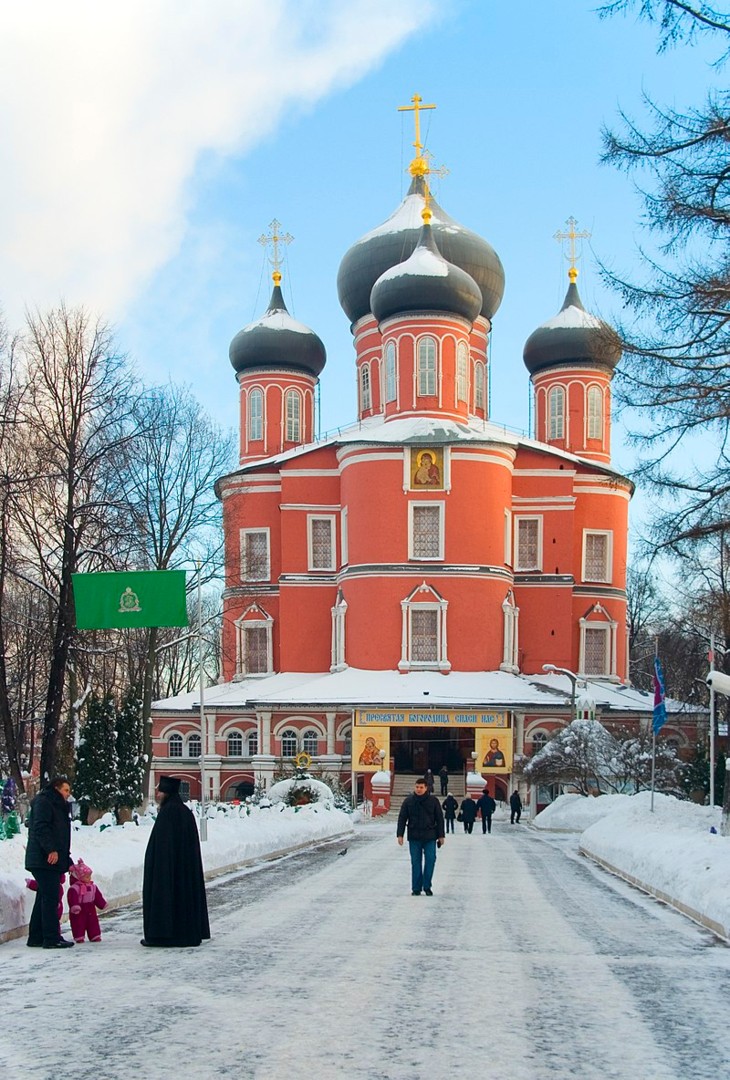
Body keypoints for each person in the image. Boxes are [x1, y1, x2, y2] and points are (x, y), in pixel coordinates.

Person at [141, 776, 210, 947]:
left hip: (168, 869)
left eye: (160, 791)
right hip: (184, 869)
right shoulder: (184, 811)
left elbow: (163, 846)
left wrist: (157, 866)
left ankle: (163, 934)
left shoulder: (168, 812)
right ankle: (187, 933)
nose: (158, 795)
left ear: (167, 793)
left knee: (168, 897)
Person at [25, 776, 75, 949]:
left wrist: (66, 858)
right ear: (56, 788)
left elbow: (59, 834)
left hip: (49, 858)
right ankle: (51, 938)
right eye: (65, 790)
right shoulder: (45, 802)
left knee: (44, 896)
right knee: (50, 897)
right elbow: (41, 828)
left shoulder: (55, 804)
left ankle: (36, 936)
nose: (68, 794)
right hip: (43, 859)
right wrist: (51, 850)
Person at [396, 778, 445, 896]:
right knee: (415, 862)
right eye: (417, 787)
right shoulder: (408, 801)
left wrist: (441, 835)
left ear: (426, 788)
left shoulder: (433, 801)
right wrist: (400, 834)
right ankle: (416, 888)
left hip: (430, 836)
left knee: (431, 860)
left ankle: (427, 886)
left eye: (421, 787)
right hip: (414, 836)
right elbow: (402, 818)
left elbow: (439, 818)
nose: (419, 789)